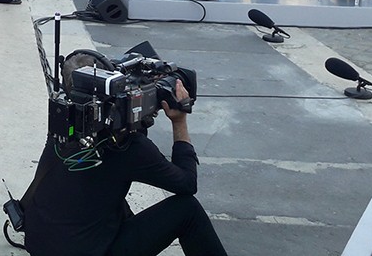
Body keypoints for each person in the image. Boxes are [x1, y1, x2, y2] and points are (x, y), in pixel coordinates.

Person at [21, 56, 227, 256]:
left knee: (96, 186)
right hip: (84, 249)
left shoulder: (63, 123)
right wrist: (179, 120)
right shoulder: (126, 146)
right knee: (187, 210)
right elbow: (187, 183)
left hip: (39, 245)